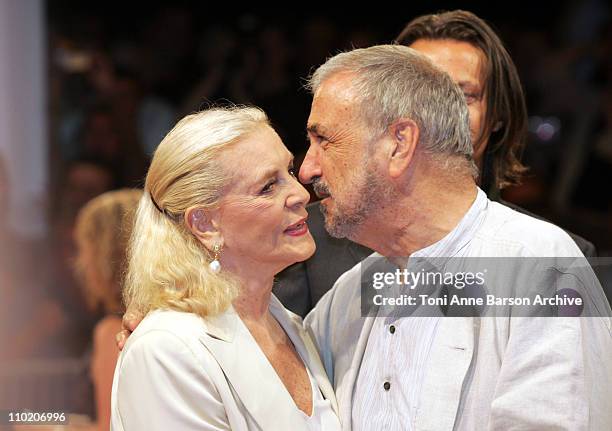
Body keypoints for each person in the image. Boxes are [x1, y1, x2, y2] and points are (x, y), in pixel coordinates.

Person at [300, 44, 611, 430]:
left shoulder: (537, 264)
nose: (307, 169)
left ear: (399, 143)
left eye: (324, 140)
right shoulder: (352, 293)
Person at [273, 9, 596, 317]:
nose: (436, 111)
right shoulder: (308, 236)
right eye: (417, 92)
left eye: (462, 96)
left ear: (498, 115)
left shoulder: (550, 257)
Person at [110, 107, 341, 430]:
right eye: (267, 187)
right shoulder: (167, 349)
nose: (301, 194)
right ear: (205, 224)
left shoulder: (288, 325)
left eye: (288, 171)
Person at [73, 188, 142, 431]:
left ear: (105, 256)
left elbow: (108, 426)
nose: (80, 263)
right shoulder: (163, 318)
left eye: (83, 249)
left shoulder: (113, 330)